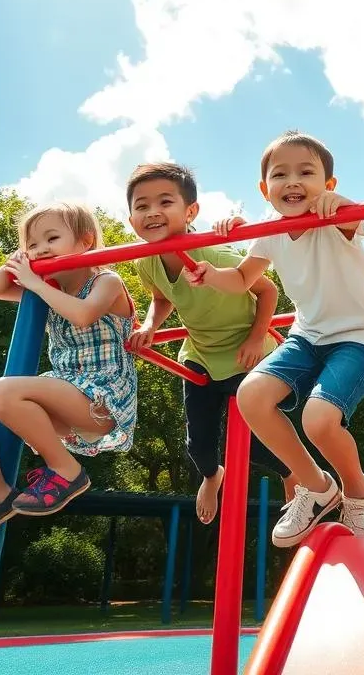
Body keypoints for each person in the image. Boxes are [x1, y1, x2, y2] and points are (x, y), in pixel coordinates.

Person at [193, 131, 364, 548]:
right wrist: (210, 274)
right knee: (251, 396)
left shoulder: (337, 217)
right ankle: (317, 486)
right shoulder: (268, 231)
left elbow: (358, 218)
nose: (293, 182)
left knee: (319, 419)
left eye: (306, 172)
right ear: (265, 190)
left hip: (358, 337)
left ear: (328, 184)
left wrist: (341, 206)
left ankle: (358, 491)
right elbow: (244, 279)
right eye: (280, 175)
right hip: (307, 335)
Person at [0, 203, 137, 552]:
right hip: (62, 395)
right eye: (32, 244)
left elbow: (82, 315)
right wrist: (21, 264)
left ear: (86, 241)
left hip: (102, 399)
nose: (41, 249)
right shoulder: (43, 289)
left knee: (3, 391)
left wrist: (34, 281)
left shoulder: (106, 281)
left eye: (52, 238)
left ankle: (65, 470)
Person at [125, 161, 295, 524]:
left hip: (244, 350)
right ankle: (210, 476)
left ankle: (292, 471)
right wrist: (151, 326)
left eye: (165, 202)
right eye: (141, 206)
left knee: (253, 439)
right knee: (198, 445)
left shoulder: (214, 253)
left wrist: (255, 339)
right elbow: (162, 297)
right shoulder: (146, 262)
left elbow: (267, 291)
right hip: (200, 352)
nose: (152, 212)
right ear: (130, 219)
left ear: (190, 212)